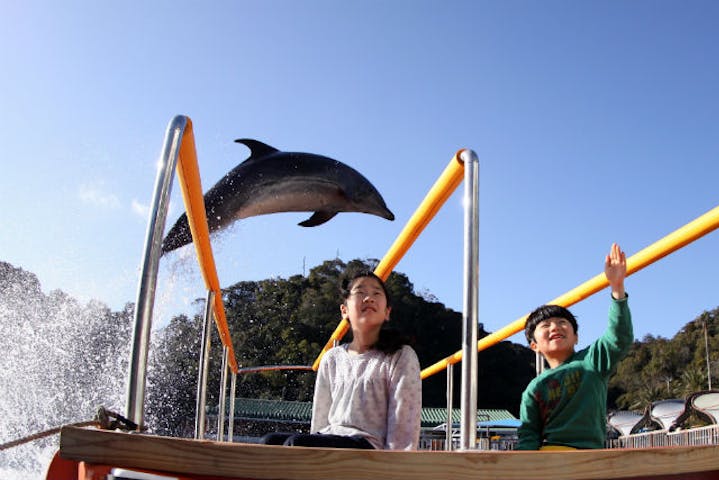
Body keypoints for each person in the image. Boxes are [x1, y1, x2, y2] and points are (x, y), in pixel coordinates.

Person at [260, 269, 422, 450]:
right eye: (360, 293)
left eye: (376, 293)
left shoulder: (400, 355)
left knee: (297, 444)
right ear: (344, 310)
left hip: (369, 445)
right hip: (331, 437)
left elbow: (404, 423)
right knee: (269, 442)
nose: (369, 298)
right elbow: (321, 417)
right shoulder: (332, 358)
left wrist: (393, 469)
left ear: (387, 312)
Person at [516, 243, 633, 450]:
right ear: (534, 346)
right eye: (545, 325)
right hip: (550, 453)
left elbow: (619, 337)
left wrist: (617, 288)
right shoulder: (534, 389)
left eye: (562, 323)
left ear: (576, 337)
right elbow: (529, 435)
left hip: (588, 455)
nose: (555, 327)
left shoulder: (592, 361)